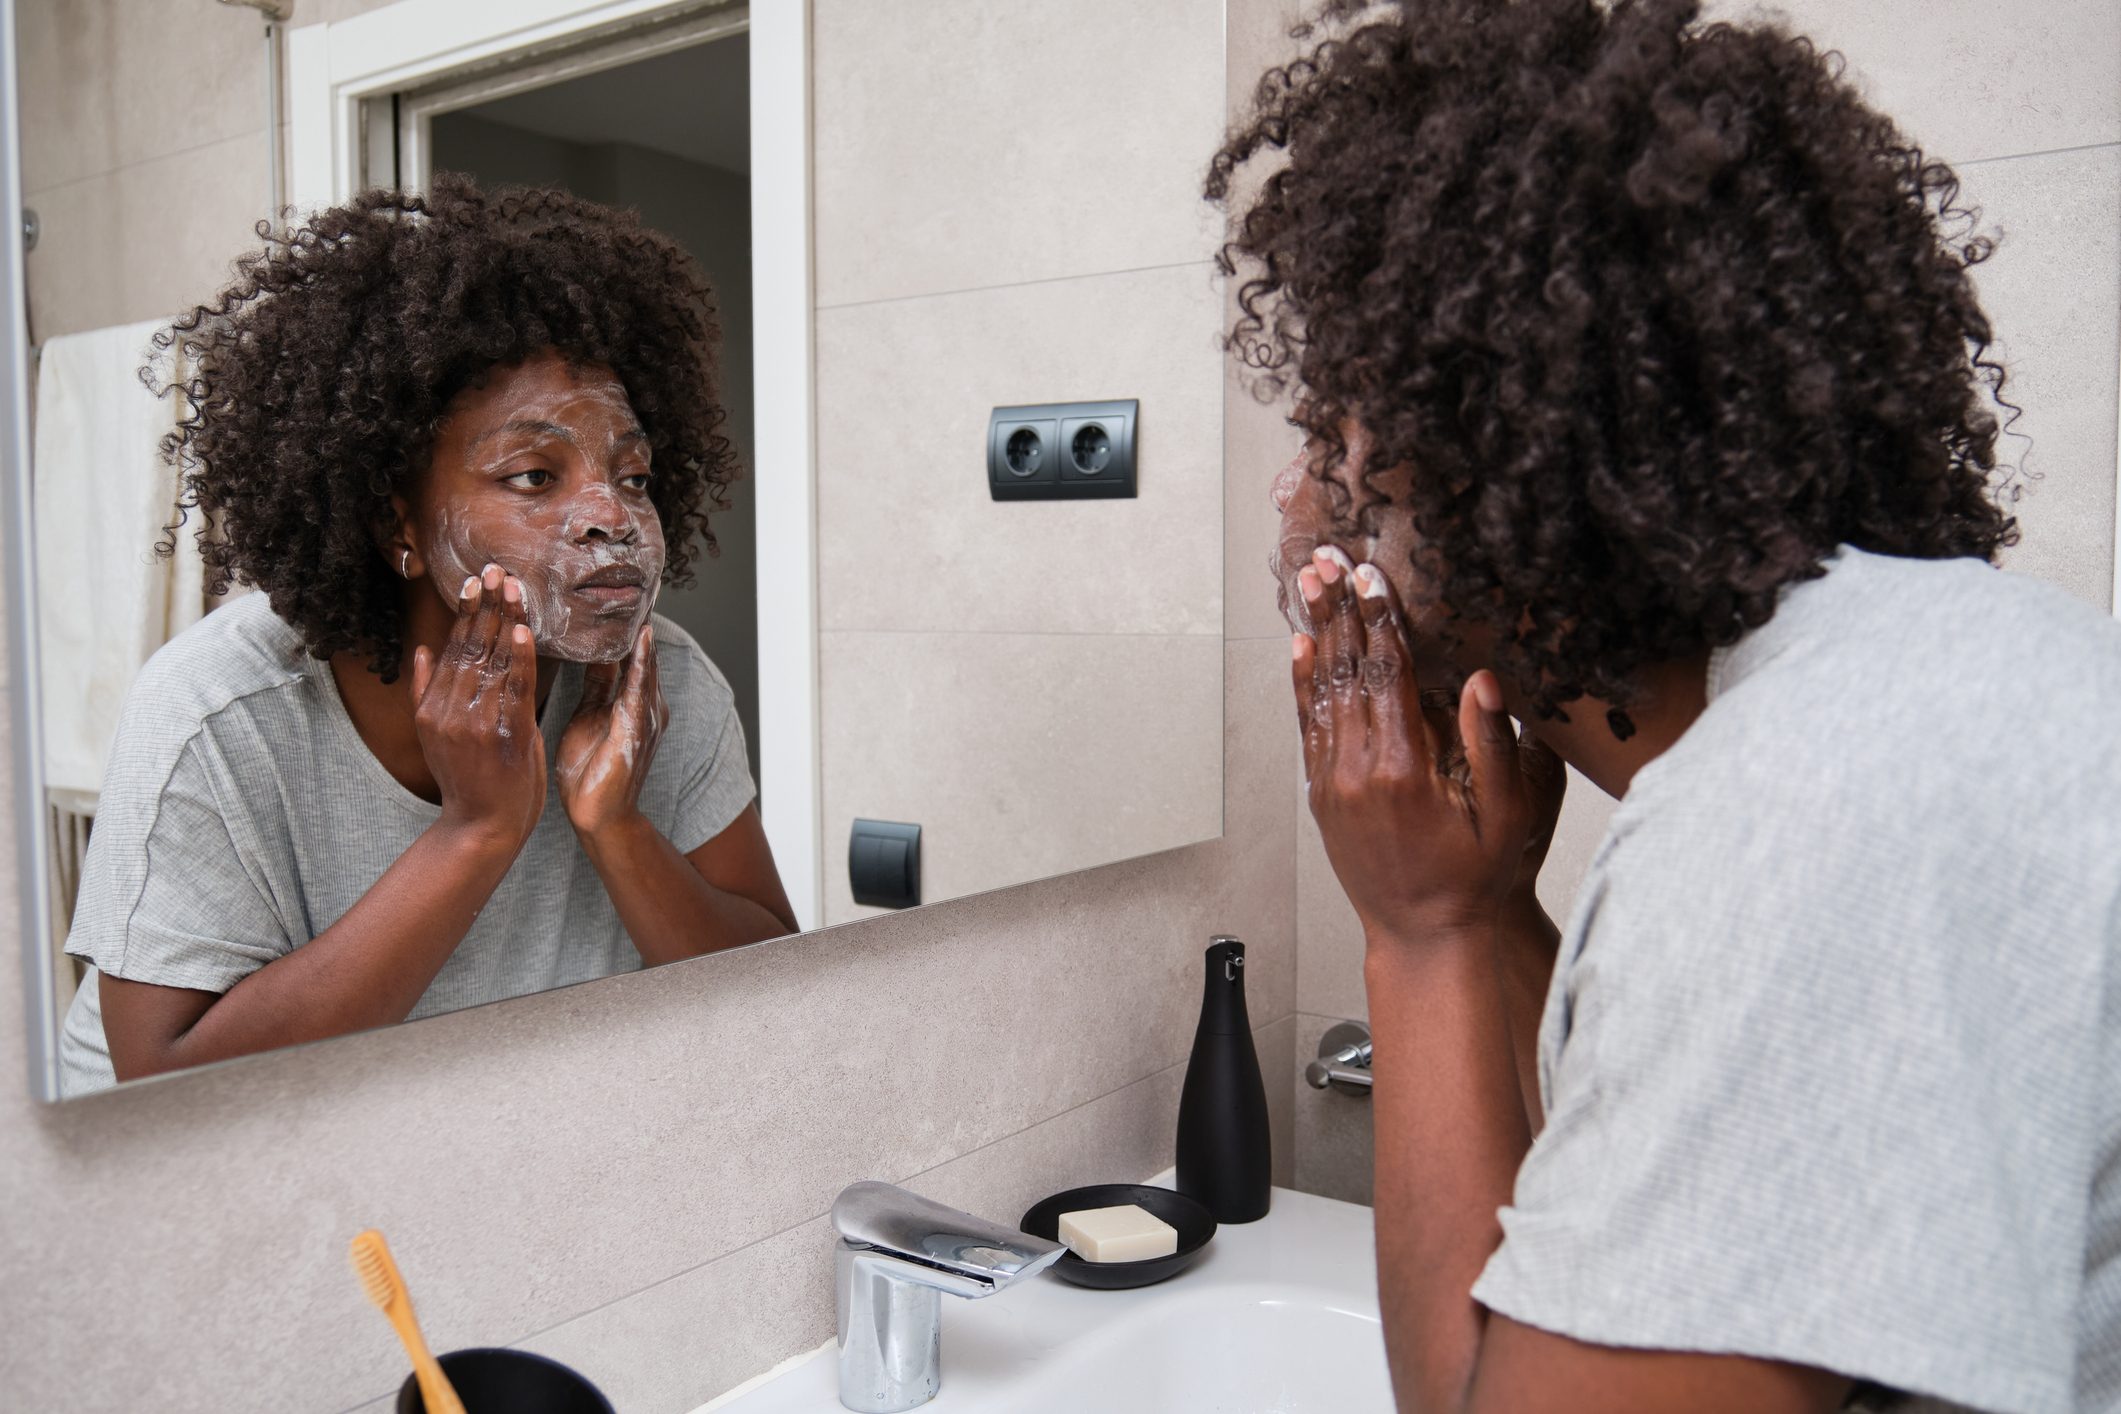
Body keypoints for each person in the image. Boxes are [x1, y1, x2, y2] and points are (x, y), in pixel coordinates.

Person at [1211, 2, 2121, 1410]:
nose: (1308, 514)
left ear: (1499, 467)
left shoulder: (1800, 808)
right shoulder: (1905, 681)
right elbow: (1607, 1258)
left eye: (1349, 460)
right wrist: (1491, 898)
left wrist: (1422, 929)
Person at [58, 176, 796, 1096]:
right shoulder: (218, 711)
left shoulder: (660, 683)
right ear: (396, 521)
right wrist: (475, 831)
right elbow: (164, 1081)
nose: (612, 515)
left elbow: (777, 990)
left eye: (634, 476)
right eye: (534, 476)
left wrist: (617, 825)